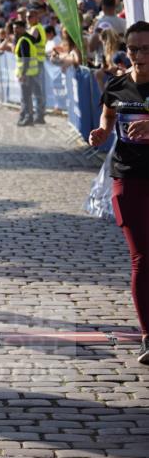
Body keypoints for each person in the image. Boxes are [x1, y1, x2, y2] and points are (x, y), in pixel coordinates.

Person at [89, 21, 149, 364]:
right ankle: (148, 335)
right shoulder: (117, 85)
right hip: (128, 178)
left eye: (146, 49)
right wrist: (101, 131)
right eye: (134, 49)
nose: (140, 56)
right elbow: (109, 114)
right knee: (142, 256)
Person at [14, 19, 41, 127]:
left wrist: (23, 74)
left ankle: (28, 118)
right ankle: (26, 116)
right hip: (31, 72)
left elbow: (26, 59)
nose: (14, 31)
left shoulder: (24, 40)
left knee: (26, 97)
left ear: (22, 28)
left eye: (16, 29)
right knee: (27, 96)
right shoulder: (27, 39)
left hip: (27, 74)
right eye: (13, 29)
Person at [27, 4, 47, 124]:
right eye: (27, 17)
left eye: (30, 17)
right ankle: (39, 115)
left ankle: (40, 116)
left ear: (36, 17)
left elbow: (29, 44)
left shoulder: (36, 29)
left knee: (37, 91)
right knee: (36, 90)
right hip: (35, 63)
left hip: (37, 63)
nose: (28, 19)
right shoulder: (34, 28)